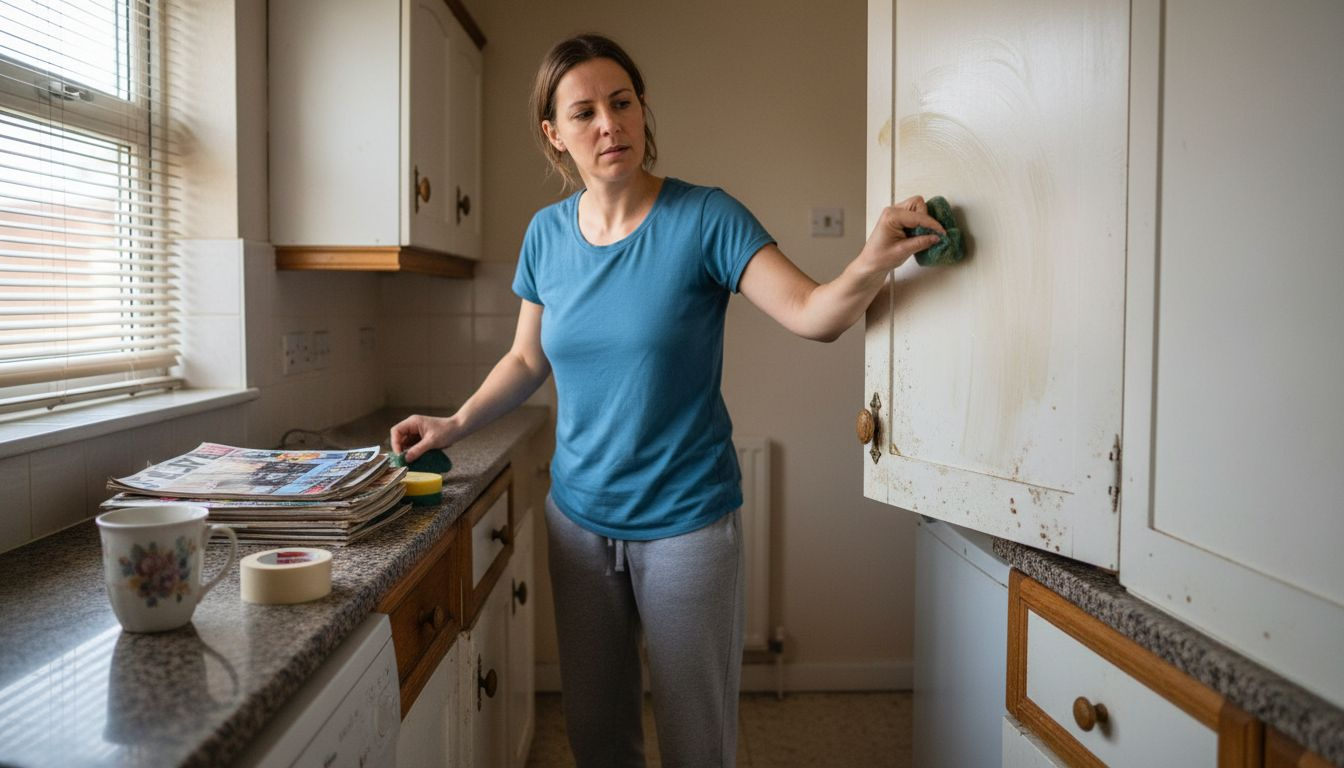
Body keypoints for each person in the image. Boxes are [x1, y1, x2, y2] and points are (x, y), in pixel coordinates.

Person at [389, 33, 943, 768]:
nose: (609, 125)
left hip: (687, 524)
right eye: (583, 113)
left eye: (621, 104)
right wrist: (456, 421)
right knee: (598, 736)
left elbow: (814, 314)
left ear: (643, 111)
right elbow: (527, 358)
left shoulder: (706, 218)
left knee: (696, 742)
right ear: (556, 135)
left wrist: (872, 258)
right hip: (579, 521)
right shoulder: (546, 236)